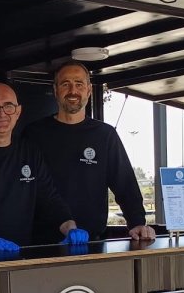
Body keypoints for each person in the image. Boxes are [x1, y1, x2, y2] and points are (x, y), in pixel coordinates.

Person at [0, 81, 88, 252]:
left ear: (18, 112)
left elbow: (50, 199)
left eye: (8, 106)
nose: (2, 113)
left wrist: (70, 228)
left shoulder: (30, 152)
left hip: (20, 255)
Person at [25, 60, 155, 242]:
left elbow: (125, 184)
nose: (73, 91)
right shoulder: (33, 134)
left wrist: (137, 223)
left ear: (88, 90)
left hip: (92, 243)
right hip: (41, 243)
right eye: (65, 84)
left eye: (79, 84)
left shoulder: (105, 135)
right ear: (55, 91)